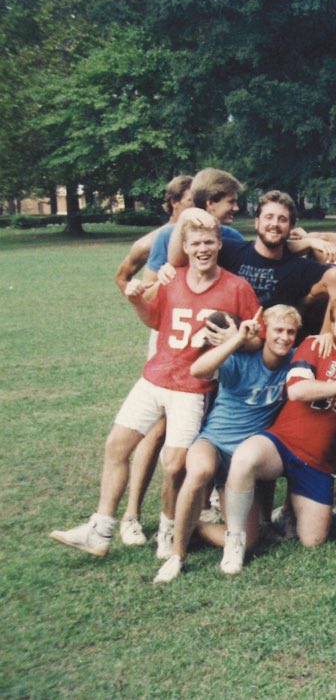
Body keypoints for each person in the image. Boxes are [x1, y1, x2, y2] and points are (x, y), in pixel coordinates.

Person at [50, 216, 260, 558]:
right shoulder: (171, 278)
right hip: (155, 378)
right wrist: (136, 299)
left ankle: (168, 529)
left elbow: (257, 337)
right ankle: (100, 529)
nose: (203, 249)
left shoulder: (237, 287)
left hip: (193, 387)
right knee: (117, 445)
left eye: (209, 242)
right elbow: (154, 319)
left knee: (175, 465)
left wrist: (238, 339)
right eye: (195, 243)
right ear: (186, 247)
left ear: (219, 244)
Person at [218, 294, 336, 574]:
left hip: (318, 462)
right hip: (283, 443)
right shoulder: (314, 344)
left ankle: (288, 511)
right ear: (332, 325)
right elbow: (297, 390)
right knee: (245, 458)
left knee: (313, 540)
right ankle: (234, 541)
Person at [153, 304, 300, 583]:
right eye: (278, 330)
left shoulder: (294, 361)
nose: (284, 337)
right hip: (214, 442)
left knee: (251, 541)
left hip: (244, 460)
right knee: (199, 472)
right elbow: (198, 369)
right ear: (265, 332)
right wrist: (238, 340)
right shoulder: (242, 356)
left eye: (290, 332)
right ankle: (177, 555)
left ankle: (192, 527)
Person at [113, 174, 193, 546]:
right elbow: (125, 278)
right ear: (174, 202)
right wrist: (145, 301)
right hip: (166, 339)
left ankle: (189, 503)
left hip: (196, 337)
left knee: (188, 424)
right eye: (192, 200)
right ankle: (131, 514)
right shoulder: (155, 240)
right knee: (156, 426)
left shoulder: (211, 235)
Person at [168, 190, 329, 314]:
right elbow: (177, 260)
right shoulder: (230, 251)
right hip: (225, 344)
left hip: (269, 348)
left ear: (291, 227)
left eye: (282, 219)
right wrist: (185, 217)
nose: (274, 224)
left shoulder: (299, 267)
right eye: (269, 217)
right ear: (257, 223)